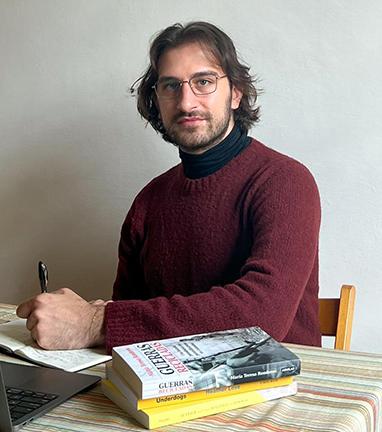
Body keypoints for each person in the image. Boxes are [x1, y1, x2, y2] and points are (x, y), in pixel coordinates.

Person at [16, 21, 321, 353]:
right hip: (169, 390)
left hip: (276, 390)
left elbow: (263, 317)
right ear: (157, 100)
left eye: (203, 82)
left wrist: (97, 322)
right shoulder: (148, 202)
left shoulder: (285, 181)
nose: (186, 102)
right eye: (171, 86)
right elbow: (128, 333)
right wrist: (86, 321)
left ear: (236, 92)